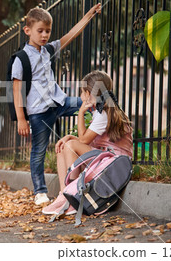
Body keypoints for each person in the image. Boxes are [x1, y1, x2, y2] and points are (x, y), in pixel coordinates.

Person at [12, 3, 102, 205]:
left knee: (91, 102)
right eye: (40, 31)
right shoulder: (21, 59)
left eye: (48, 31)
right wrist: (21, 119)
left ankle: (104, 144)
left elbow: (71, 34)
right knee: (39, 151)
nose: (44, 35)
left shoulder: (49, 50)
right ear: (28, 31)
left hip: (59, 102)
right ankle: (40, 192)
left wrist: (88, 16)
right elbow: (17, 90)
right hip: (39, 112)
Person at [41, 70, 133, 215]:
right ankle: (64, 194)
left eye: (82, 92)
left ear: (89, 93)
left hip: (112, 163)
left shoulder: (104, 114)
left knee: (70, 146)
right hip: (104, 158)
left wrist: (81, 112)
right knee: (64, 146)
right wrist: (68, 137)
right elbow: (86, 139)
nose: (80, 96)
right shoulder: (101, 111)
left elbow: (83, 140)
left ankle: (75, 197)